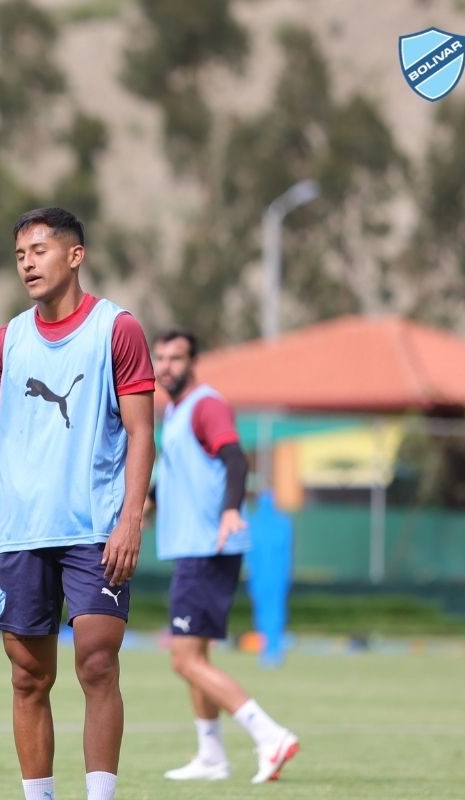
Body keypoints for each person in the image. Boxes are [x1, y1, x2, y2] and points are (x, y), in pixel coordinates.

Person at [0, 208, 155, 800]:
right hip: (23, 531)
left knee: (96, 663)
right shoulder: (6, 341)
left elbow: (141, 434)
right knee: (28, 676)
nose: (28, 263)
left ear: (75, 255)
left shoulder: (118, 329)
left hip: (94, 530)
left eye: (39, 250)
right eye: (20, 255)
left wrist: (130, 518)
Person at [150, 329, 299, 784]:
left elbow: (236, 459)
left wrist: (232, 508)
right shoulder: (173, 413)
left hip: (208, 547)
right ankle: (211, 755)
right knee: (195, 656)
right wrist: (144, 506)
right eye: (161, 358)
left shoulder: (205, 405)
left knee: (184, 659)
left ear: (193, 361)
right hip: (192, 546)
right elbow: (174, 478)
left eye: (176, 358)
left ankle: (268, 735)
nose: (166, 367)